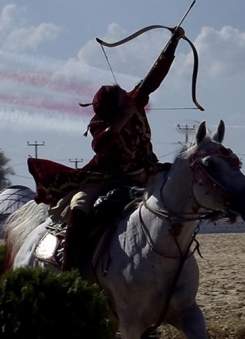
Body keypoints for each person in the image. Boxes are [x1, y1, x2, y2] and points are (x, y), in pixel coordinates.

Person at [27, 27, 187, 273]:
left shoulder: (134, 101)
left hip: (148, 170)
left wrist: (174, 42)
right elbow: (99, 145)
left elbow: (153, 77)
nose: (128, 95)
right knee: (80, 204)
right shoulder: (100, 123)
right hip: (107, 177)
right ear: (114, 108)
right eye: (123, 97)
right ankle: (70, 268)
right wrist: (122, 121)